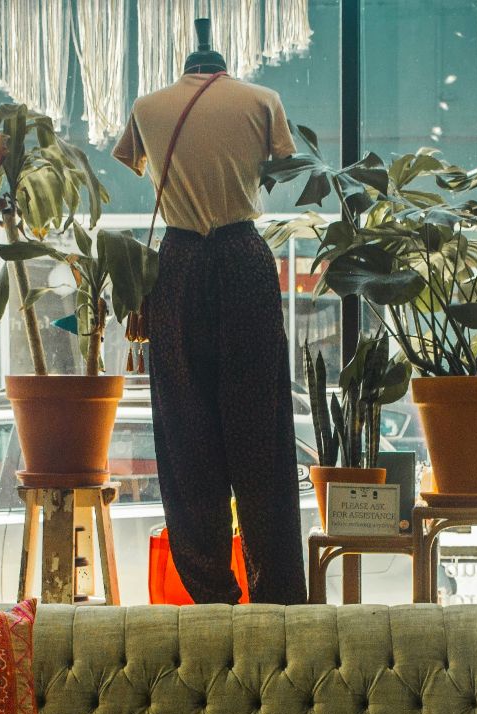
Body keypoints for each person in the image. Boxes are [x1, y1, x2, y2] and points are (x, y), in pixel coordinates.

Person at [111, 21, 307, 606]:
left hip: (179, 265)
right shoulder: (261, 101)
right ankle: (276, 600)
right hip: (243, 258)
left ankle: (211, 599)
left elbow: (131, 161)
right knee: (260, 429)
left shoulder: (149, 106)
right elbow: (283, 164)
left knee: (185, 429)